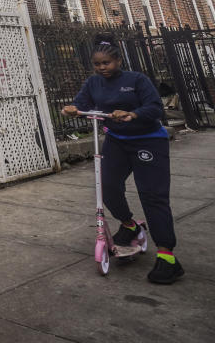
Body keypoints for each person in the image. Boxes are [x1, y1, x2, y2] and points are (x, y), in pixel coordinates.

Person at [62, 32, 183, 284]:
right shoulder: (93, 83)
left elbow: (155, 108)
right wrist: (73, 109)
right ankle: (129, 225)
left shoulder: (137, 80)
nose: (102, 68)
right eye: (97, 64)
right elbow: (81, 104)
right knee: (107, 187)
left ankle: (167, 256)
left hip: (149, 140)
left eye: (106, 63)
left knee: (152, 195)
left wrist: (133, 114)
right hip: (117, 141)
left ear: (117, 61)